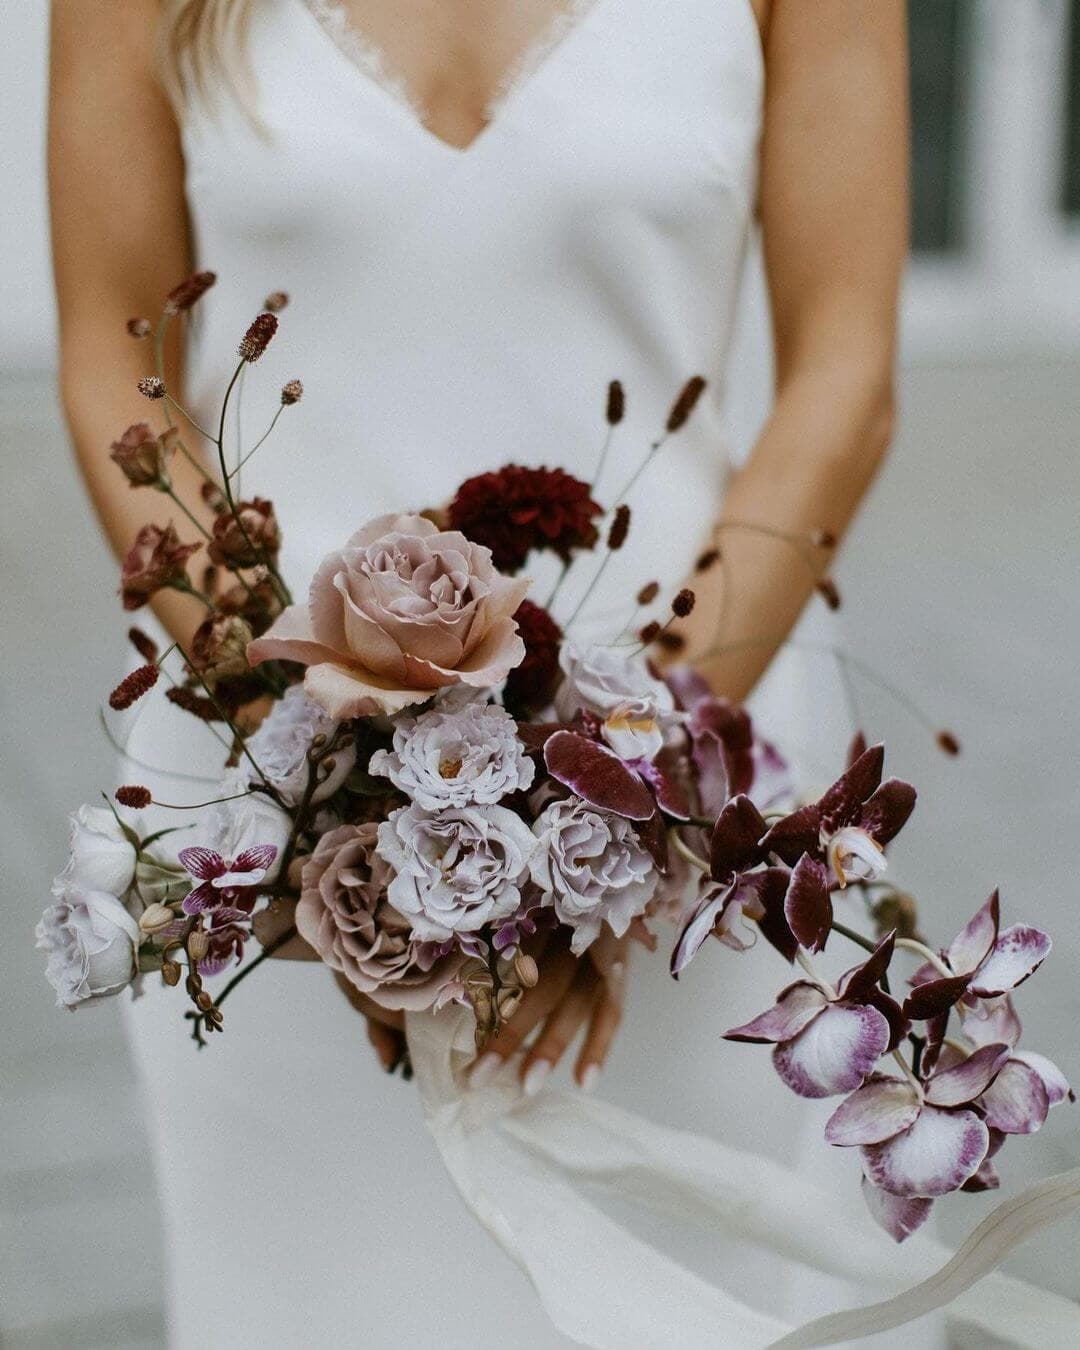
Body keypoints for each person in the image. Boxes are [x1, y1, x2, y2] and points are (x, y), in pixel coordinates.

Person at [50, 2, 913, 1344]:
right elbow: (121, 376)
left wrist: (617, 814)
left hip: (700, 822)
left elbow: (844, 379)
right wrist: (333, 806)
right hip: (266, 837)